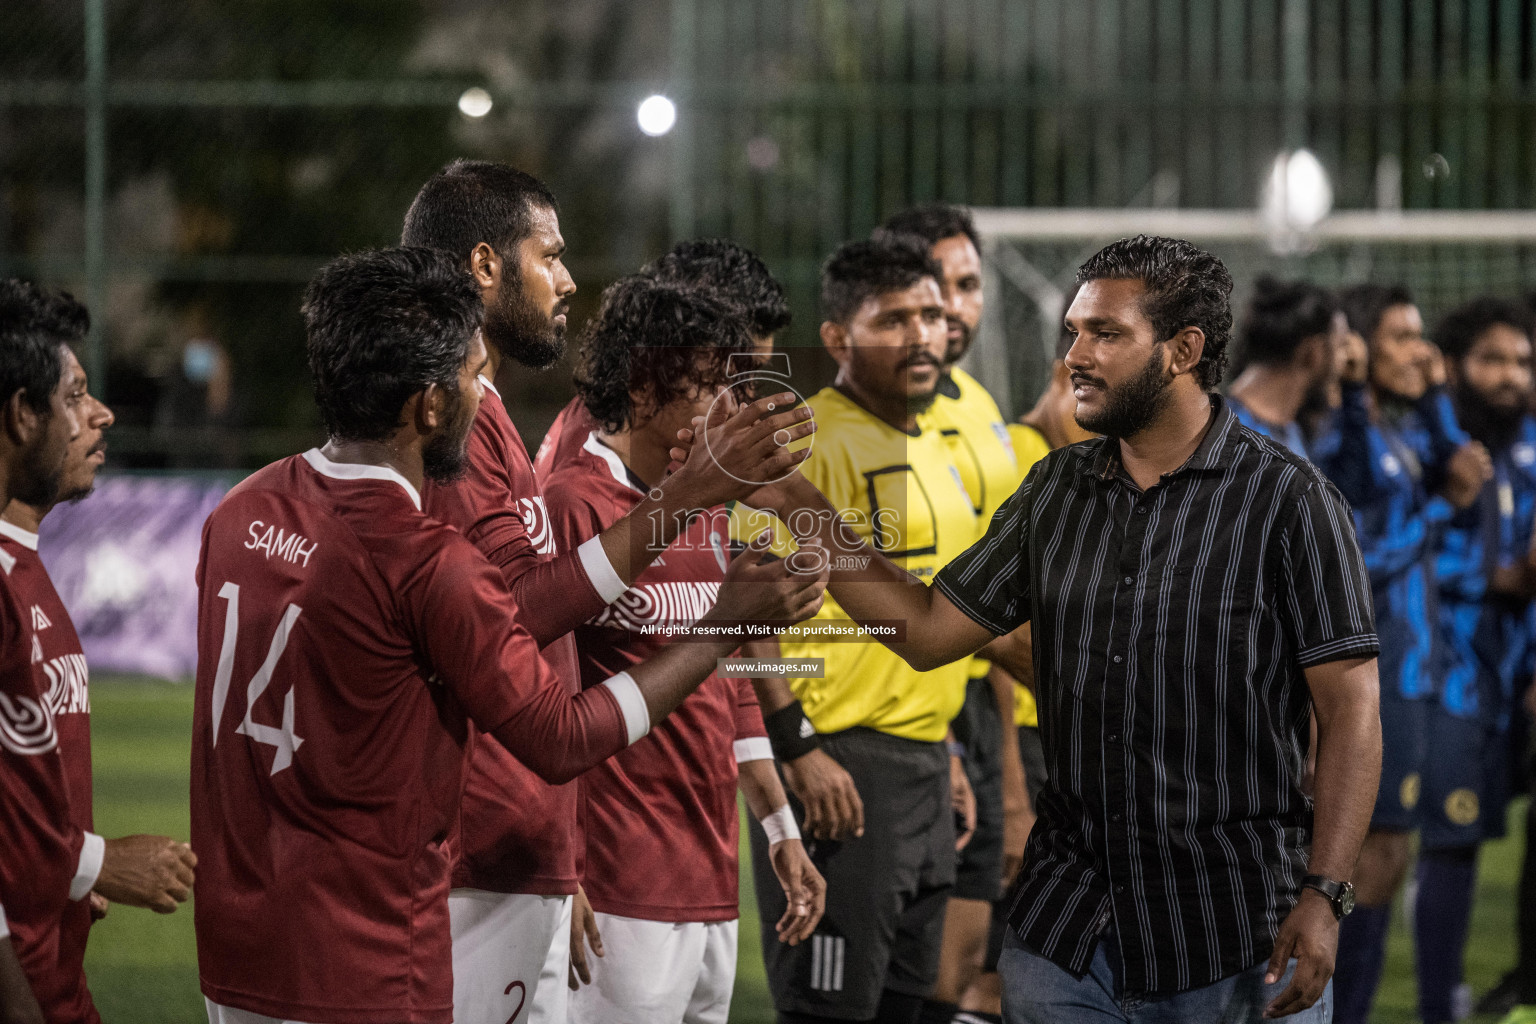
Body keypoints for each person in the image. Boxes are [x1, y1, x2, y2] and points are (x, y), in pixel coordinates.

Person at [714, 235, 1383, 1022]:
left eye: (1105, 334)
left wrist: (1327, 895)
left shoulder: (1291, 503)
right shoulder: (1056, 491)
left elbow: (1352, 713)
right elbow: (928, 631)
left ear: (1183, 350)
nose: (1075, 357)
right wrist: (797, 501)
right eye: (1073, 332)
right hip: (1068, 939)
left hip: (1232, 933)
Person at [189, 246, 825, 1024]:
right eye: (472, 377)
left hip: (237, 954)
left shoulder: (239, 513)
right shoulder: (429, 564)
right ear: (429, 406)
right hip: (367, 956)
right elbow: (562, 736)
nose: (482, 399)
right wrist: (721, 627)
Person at [399, 163, 818, 1024]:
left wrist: (776, 822)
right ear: (484, 264)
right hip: (530, 856)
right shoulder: (493, 438)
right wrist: (691, 501)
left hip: (630, 859)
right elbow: (515, 625)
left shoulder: (497, 420)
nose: (567, 279)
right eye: (549, 255)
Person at [541, 273, 824, 1023]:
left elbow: (728, 679)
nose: (723, 413)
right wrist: (559, 869)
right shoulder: (574, 505)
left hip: (710, 876)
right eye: (704, 390)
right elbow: (533, 706)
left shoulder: (698, 506)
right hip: (616, 885)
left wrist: (778, 826)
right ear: (640, 389)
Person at [743, 235, 989, 1024]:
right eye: (895, 319)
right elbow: (747, 613)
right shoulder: (806, 448)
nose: (925, 335)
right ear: (841, 338)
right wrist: (799, 748)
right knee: (829, 1010)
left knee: (908, 1009)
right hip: (840, 769)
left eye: (931, 314)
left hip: (922, 763)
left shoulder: (934, 444)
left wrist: (943, 746)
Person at [0, 280, 198, 1024]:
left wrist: (74, 879)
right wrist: (97, 861)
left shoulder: (26, 564)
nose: (101, 413)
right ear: (23, 414)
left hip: (54, 970)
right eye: (75, 394)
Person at [1311, 284, 1494, 1024]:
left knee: (1387, 860)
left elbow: (1468, 482)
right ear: (1353, 348)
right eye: (1400, 338)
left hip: (1413, 674)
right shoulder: (1335, 439)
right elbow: (1360, 558)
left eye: (1423, 336)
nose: (1419, 351)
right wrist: (1444, 508)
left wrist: (1440, 397)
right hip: (1372, 674)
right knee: (1359, 863)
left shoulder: (1398, 433)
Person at [876, 204, 1031, 1024]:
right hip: (893, 714)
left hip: (975, 701)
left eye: (971, 287)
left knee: (971, 961)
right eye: (943, 287)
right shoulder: (878, 420)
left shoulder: (978, 410)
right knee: (916, 971)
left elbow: (1002, 596)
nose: (960, 308)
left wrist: (1005, 758)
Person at [1416, 299, 1536, 1024]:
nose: (1510, 376)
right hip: (1450, 670)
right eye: (1493, 360)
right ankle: (1438, 1003)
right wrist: (1500, 575)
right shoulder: (1437, 444)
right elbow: (1403, 548)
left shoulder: (1532, 444)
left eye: (1522, 362)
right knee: (1452, 841)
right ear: (1457, 364)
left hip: (1517, 672)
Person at [1225, 277, 1343, 456]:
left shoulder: (1290, 430)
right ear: (1314, 352)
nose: (1345, 361)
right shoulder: (1228, 433)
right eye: (1340, 346)